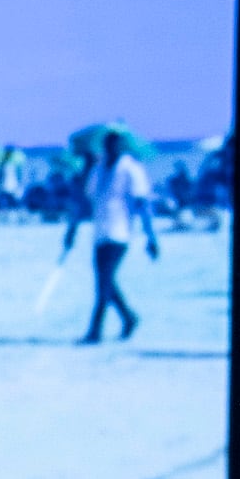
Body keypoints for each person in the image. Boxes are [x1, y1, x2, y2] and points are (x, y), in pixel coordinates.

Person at [61, 130, 158, 345]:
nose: (109, 149)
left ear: (121, 147)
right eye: (107, 145)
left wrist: (150, 237)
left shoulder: (131, 169)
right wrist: (72, 230)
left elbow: (142, 205)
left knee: (104, 281)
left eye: (114, 145)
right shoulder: (98, 170)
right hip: (100, 232)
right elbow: (87, 201)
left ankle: (95, 330)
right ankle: (129, 317)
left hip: (120, 232)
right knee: (105, 281)